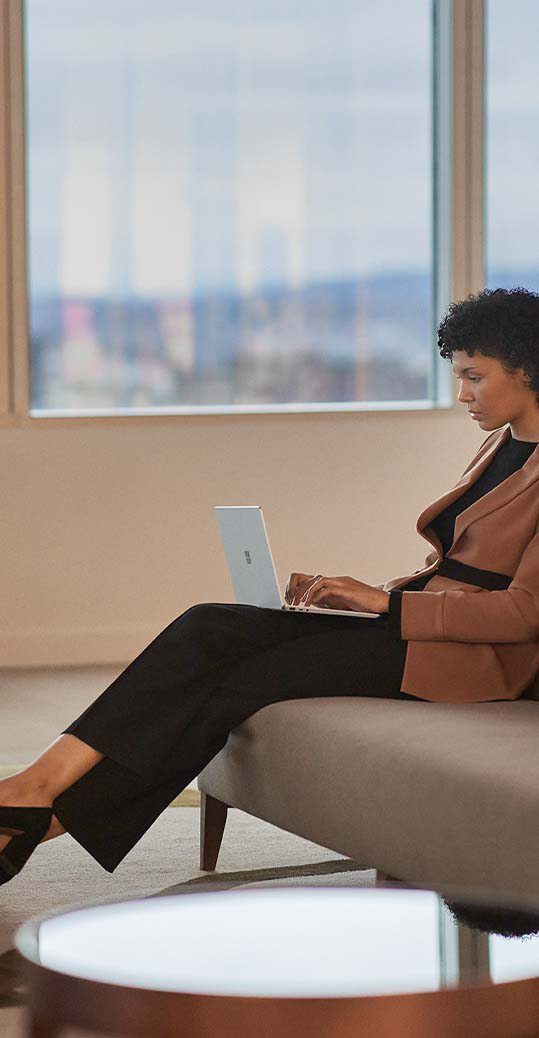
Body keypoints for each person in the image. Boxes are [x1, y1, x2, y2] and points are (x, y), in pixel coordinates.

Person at [2, 285, 539, 887]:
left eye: (475, 376)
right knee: (211, 624)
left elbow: (523, 615)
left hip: (477, 660)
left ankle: (33, 808)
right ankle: (35, 792)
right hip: (420, 624)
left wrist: (387, 604)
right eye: (459, 375)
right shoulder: (500, 442)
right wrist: (369, 598)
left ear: (528, 369)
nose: (462, 393)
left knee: (242, 678)